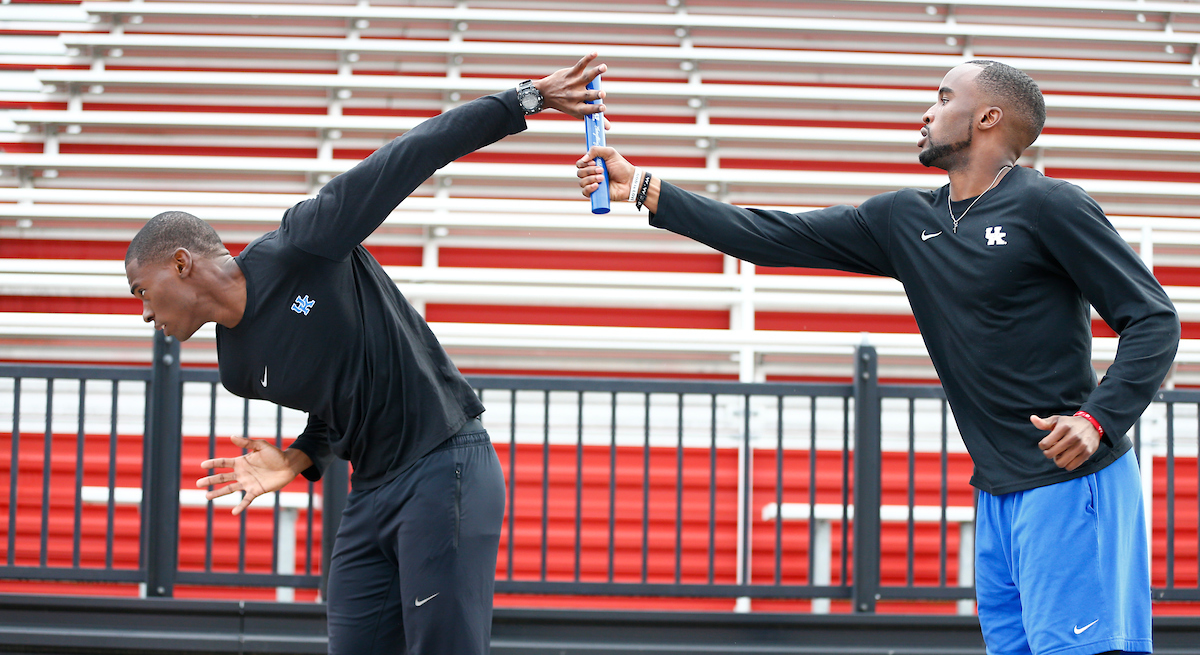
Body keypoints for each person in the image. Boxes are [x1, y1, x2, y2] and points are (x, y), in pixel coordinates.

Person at [577, 60, 1178, 655]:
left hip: (1073, 486)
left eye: (943, 99)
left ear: (989, 117)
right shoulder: (904, 218)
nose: (927, 111)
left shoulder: (1052, 205)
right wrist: (643, 187)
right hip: (997, 491)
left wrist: (1098, 419)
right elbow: (767, 236)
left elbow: (1152, 317)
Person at [124, 54, 608, 655]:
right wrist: (298, 459)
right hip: (371, 492)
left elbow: (412, 153)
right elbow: (337, 404)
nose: (144, 312)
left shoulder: (304, 243)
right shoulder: (239, 370)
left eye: (142, 292)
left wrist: (524, 100)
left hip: (443, 465)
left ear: (180, 264)